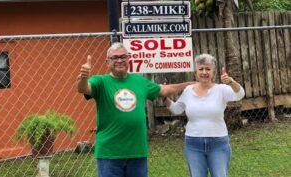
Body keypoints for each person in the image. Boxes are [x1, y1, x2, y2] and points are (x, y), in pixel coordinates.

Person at [76, 42, 191, 177]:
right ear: (107, 62)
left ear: (129, 59)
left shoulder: (140, 81)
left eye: (123, 57)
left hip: (137, 152)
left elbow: (165, 90)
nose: (119, 60)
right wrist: (83, 78)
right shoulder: (100, 82)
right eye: (114, 58)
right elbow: (83, 88)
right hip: (110, 153)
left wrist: (190, 84)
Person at [164, 53, 245, 177]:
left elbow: (240, 94)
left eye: (208, 69)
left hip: (218, 143)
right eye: (201, 69)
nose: (204, 72)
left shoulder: (221, 89)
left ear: (213, 72)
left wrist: (231, 82)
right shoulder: (188, 91)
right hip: (193, 143)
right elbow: (176, 109)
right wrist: (164, 98)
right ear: (196, 73)